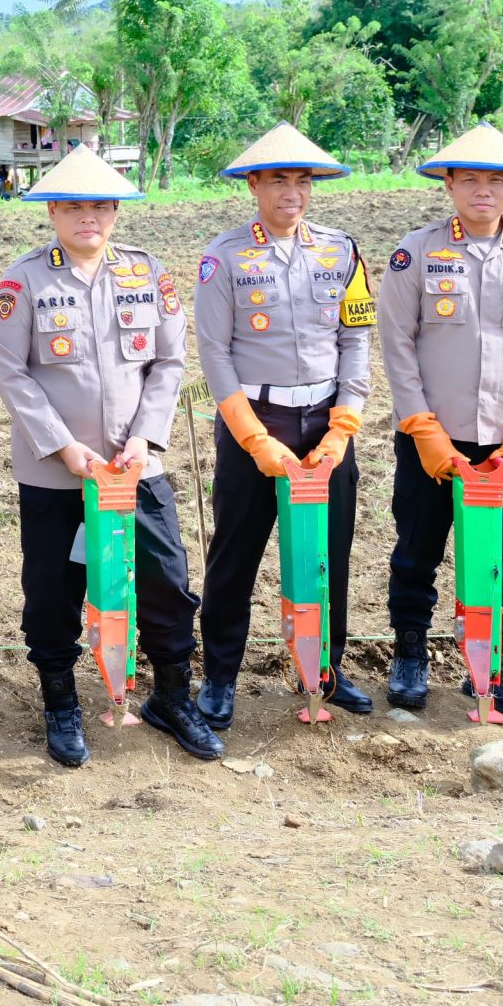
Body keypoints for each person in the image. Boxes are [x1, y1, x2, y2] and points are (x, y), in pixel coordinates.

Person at [0, 146, 220, 768]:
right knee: (52, 591)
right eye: (73, 206)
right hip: (56, 472)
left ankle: (171, 698)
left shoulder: (146, 273)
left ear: (115, 211)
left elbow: (169, 361)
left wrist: (146, 436)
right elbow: (11, 372)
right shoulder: (23, 281)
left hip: (137, 469)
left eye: (100, 205)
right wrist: (64, 447)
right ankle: (61, 703)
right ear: (53, 212)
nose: (87, 216)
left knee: (167, 582)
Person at [376, 124, 503, 722]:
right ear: (449, 185)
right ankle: (410, 657)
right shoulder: (416, 252)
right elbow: (397, 345)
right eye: (469, 179)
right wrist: (422, 428)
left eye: (495, 179)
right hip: (431, 438)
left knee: (501, 561)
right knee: (416, 553)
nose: (482, 190)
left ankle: (494, 667)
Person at [192, 124, 378, 727]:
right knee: (235, 554)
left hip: (325, 422)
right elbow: (215, 354)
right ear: (253, 185)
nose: (291, 192)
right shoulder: (224, 257)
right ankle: (220, 676)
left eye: (301, 180)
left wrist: (343, 426)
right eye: (277, 180)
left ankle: (324, 669)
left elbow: (355, 341)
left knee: (328, 553)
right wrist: (252, 437)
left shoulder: (342, 251)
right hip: (256, 420)